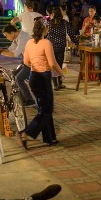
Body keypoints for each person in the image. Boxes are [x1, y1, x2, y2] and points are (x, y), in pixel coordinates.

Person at [18, 20, 65, 148]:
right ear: (44, 29)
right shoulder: (46, 43)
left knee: (43, 108)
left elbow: (26, 61)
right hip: (43, 77)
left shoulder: (29, 43)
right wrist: (61, 73)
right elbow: (52, 63)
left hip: (33, 77)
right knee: (47, 110)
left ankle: (49, 138)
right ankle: (26, 133)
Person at [0, 25, 34, 104]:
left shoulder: (23, 37)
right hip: (26, 60)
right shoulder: (16, 37)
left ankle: (29, 100)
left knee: (19, 78)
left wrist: (0, 52)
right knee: (14, 74)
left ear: (12, 33)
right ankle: (23, 98)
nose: (6, 38)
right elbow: (9, 50)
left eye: (6, 35)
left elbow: (15, 54)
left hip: (33, 61)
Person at [45, 6, 76, 89]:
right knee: (59, 64)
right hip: (61, 47)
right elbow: (71, 34)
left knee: (53, 65)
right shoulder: (65, 23)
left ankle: (55, 83)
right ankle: (59, 82)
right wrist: (76, 42)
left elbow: (44, 33)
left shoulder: (49, 23)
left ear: (53, 14)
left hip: (51, 46)